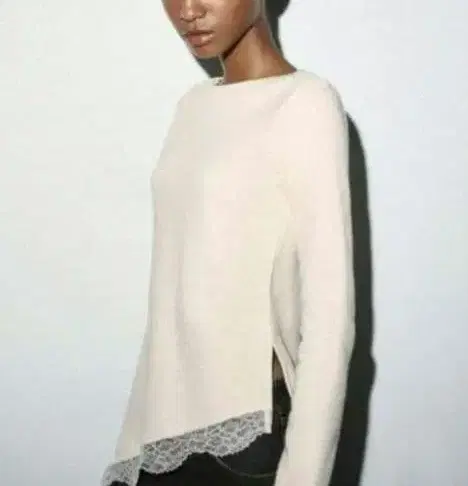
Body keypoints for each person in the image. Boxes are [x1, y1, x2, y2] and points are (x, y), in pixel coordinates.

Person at [101, 0, 355, 485]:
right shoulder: (192, 106)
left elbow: (330, 321)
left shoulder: (304, 102)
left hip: (244, 439)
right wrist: (133, 441)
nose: (188, 10)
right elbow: (172, 294)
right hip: (163, 428)